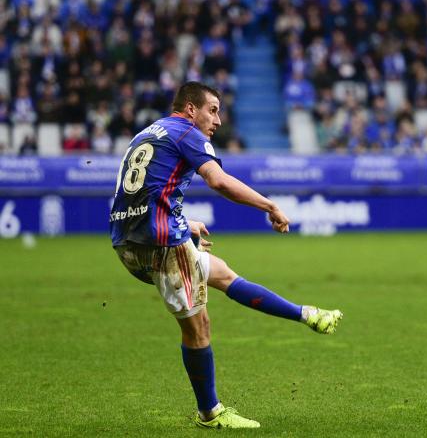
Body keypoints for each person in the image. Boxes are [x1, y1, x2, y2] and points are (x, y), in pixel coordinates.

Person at [110, 82, 343, 429]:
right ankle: (211, 413)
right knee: (198, 326)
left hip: (128, 242)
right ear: (191, 109)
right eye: (213, 110)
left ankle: (306, 314)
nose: (218, 120)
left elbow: (139, 192)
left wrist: (183, 223)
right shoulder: (187, 131)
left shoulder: (147, 133)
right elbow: (218, 181)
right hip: (159, 243)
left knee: (219, 272)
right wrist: (269, 205)